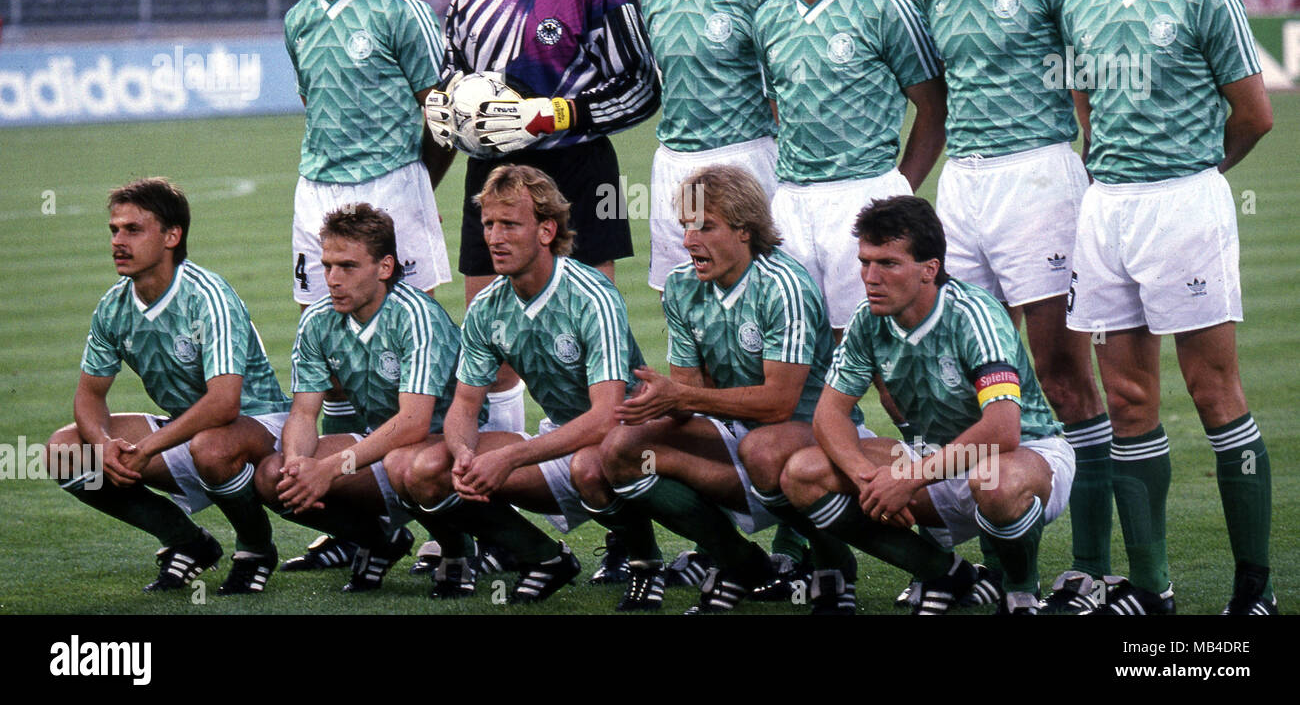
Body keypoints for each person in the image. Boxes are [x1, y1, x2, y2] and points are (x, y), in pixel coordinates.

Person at [424, 0, 659, 578]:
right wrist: (446, 109)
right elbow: (454, 73)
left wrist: (554, 113)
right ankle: (481, 512)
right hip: (490, 177)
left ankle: (628, 529)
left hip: (578, 170)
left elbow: (640, 89)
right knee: (487, 354)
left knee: (596, 348)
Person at [1062, 0, 1276, 615]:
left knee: (1215, 391)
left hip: (1184, 202)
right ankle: (1151, 590)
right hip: (1107, 207)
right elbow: (1084, 100)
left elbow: (1255, 115)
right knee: (1126, 399)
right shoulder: (1082, 0)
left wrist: (1197, 175)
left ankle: (1255, 588)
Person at [914, 0, 1109, 613]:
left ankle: (1091, 566)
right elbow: (937, 96)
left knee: (1062, 373)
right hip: (963, 183)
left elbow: (1090, 77)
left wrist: (1091, 176)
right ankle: (996, 570)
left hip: (1039, 175)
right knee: (966, 381)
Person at [781, 196, 1076, 615]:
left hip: (1022, 454)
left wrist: (907, 480)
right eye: (865, 262)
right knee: (803, 473)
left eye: (888, 263)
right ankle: (944, 571)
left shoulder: (974, 314)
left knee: (994, 483)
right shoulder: (868, 318)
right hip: (934, 460)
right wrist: (867, 480)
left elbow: (1002, 429)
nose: (870, 277)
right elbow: (829, 414)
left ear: (929, 270)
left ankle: (1020, 590)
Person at [390, 166, 662, 608]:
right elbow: (463, 405)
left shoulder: (591, 294)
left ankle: (646, 564)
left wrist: (510, 456)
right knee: (418, 468)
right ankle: (543, 558)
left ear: (546, 230)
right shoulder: (488, 307)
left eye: (510, 224)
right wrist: (462, 455)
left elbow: (607, 416)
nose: (494, 238)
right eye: (489, 224)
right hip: (565, 437)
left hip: (635, 441)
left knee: (591, 467)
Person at [601, 165, 869, 614]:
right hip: (737, 436)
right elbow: (686, 391)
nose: (689, 241)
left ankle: (835, 567)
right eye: (686, 227)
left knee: (764, 448)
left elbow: (779, 403)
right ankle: (742, 563)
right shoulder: (682, 287)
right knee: (621, 451)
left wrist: (684, 398)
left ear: (745, 230)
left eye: (705, 227)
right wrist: (655, 404)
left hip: (811, 438)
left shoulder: (783, 285)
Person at [283, 0, 453, 570]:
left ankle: (446, 513)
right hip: (316, 192)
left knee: (419, 348)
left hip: (393, 188)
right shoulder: (297, 20)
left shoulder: (400, 11)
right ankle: (357, 513)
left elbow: (443, 115)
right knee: (332, 349)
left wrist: (416, 185)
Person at [44, 178, 290, 595]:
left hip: (261, 425)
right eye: (114, 230)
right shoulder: (114, 306)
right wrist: (103, 444)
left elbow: (225, 403)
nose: (118, 241)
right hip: (189, 431)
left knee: (212, 447)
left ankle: (256, 549)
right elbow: (89, 395)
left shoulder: (207, 296)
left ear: (172, 236)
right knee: (64, 451)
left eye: (133, 230)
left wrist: (148, 449)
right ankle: (188, 542)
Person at [753, 0, 946, 337]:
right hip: (792, 201)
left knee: (876, 349)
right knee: (797, 350)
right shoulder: (769, 17)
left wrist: (899, 188)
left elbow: (934, 106)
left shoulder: (885, 7)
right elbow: (779, 107)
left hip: (863, 193)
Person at [253, 204, 468, 594]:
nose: (332, 279)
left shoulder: (415, 316)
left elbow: (415, 423)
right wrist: (299, 465)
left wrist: (331, 469)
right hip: (384, 448)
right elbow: (303, 412)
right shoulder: (318, 319)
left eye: (347, 267)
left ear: (385, 268)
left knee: (410, 465)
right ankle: (380, 541)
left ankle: (459, 549)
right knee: (274, 477)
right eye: (327, 266)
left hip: (445, 450)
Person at [641, 0, 783, 293]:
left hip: (743, 162)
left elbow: (784, 100)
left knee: (758, 300)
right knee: (681, 301)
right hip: (672, 164)